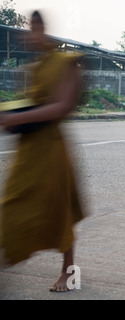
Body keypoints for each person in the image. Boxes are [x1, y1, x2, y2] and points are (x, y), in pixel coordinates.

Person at [0, 10, 86, 292]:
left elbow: (62, 106)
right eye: (28, 30)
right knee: (14, 203)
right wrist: (12, 113)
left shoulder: (66, 63)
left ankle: (69, 272)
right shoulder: (34, 68)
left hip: (52, 149)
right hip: (29, 150)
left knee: (58, 211)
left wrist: (16, 118)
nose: (29, 36)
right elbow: (32, 104)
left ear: (43, 30)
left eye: (34, 29)